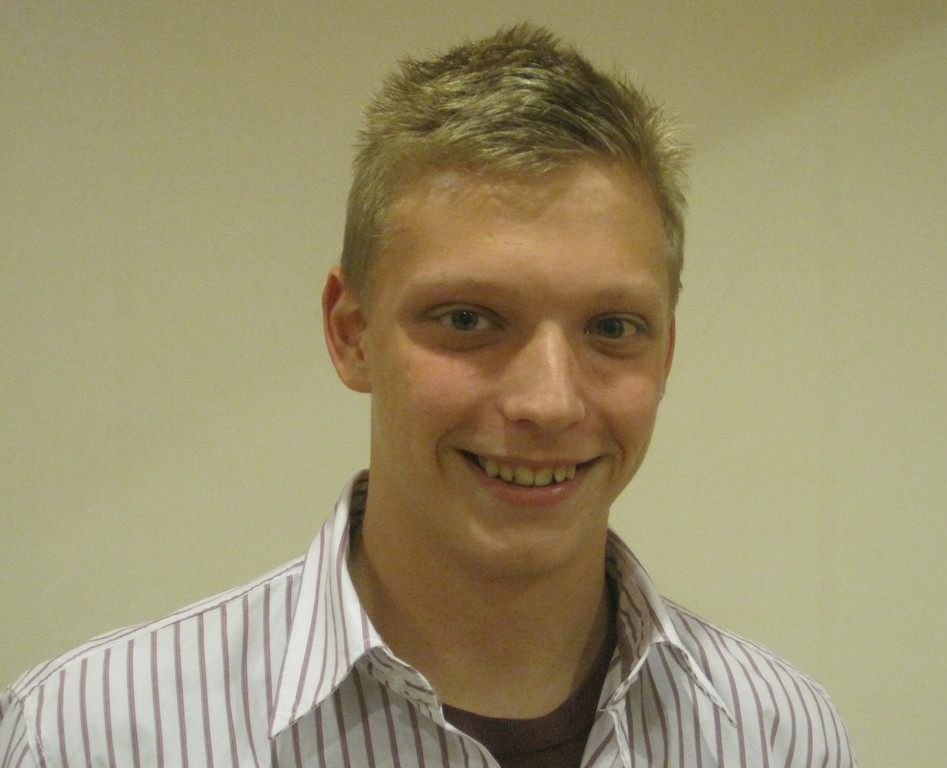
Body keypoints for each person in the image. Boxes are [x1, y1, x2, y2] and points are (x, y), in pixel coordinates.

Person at [0, 24, 855, 768]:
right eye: (469, 319)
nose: (550, 402)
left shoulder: (777, 735)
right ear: (350, 333)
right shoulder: (87, 736)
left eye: (611, 327)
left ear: (665, 354)